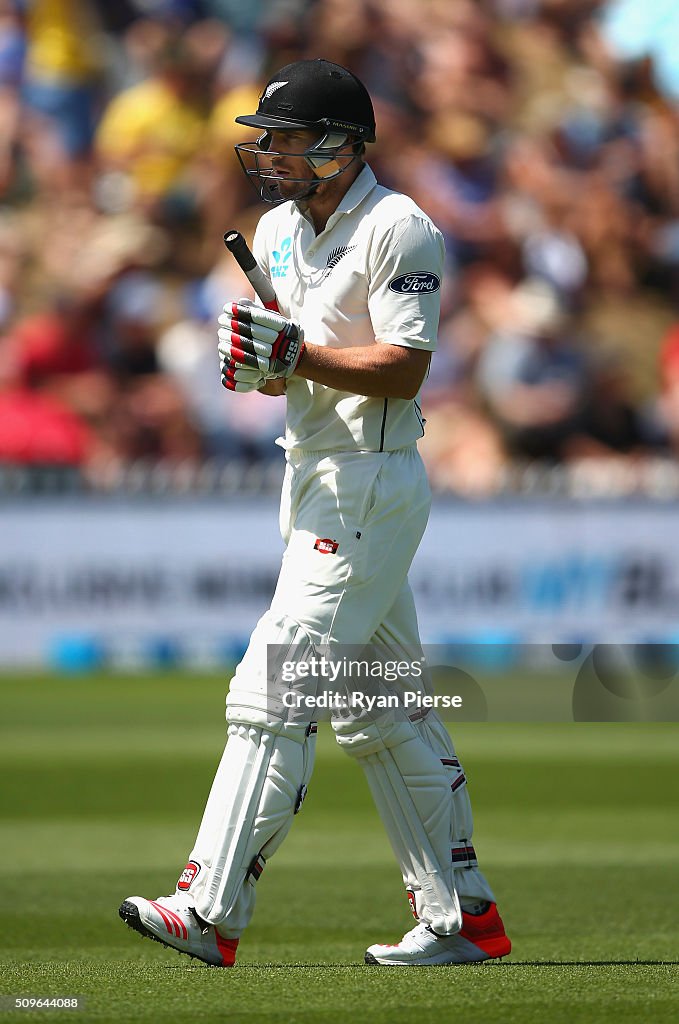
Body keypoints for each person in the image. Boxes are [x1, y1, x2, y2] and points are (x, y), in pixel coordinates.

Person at [119, 58, 511, 968]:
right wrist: (260, 361)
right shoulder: (279, 231)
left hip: (370, 481)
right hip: (311, 478)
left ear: (341, 145)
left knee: (275, 687)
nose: (269, 153)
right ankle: (464, 918)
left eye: (286, 138)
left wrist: (293, 354)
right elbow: (293, 362)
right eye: (267, 138)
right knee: (381, 712)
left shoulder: (400, 227)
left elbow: (405, 367)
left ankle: (210, 909)